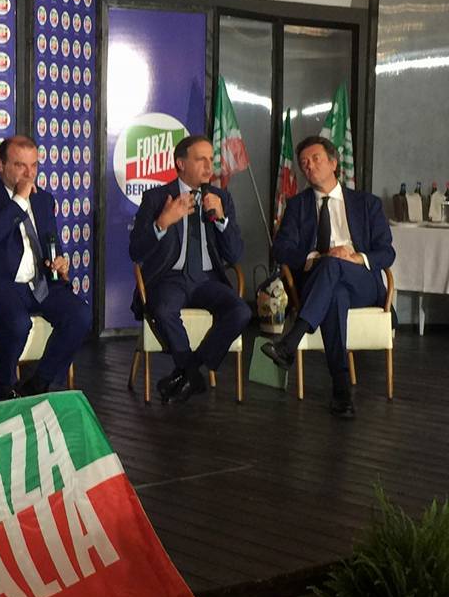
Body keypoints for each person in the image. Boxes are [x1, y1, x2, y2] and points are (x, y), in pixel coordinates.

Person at [0, 135, 91, 400]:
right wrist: (20, 200)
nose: (29, 173)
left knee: (80, 315)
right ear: (0, 165)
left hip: (39, 282)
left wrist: (58, 261)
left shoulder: (43, 199)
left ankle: (41, 382)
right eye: (20, 166)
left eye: (34, 166)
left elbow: (50, 242)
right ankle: (5, 386)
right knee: (17, 322)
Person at [262, 135, 395, 418]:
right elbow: (281, 249)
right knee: (334, 291)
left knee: (335, 267)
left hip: (362, 282)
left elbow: (387, 252)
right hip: (320, 282)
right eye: (303, 163)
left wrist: (356, 257)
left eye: (315, 159)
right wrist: (316, 257)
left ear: (334, 163)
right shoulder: (297, 205)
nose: (309, 166)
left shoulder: (366, 203)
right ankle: (341, 390)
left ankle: (291, 341)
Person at [129, 135, 251, 404]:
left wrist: (221, 219)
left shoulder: (221, 198)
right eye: (200, 159)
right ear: (181, 163)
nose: (209, 166)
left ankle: (190, 372)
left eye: (211, 159)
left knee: (241, 311)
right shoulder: (156, 198)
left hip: (207, 280)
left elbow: (235, 254)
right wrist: (163, 223)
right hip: (170, 279)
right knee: (163, 310)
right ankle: (192, 375)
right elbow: (135, 251)